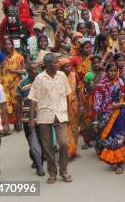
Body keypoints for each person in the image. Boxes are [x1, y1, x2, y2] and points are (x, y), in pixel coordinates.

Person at [28, 52, 73, 184]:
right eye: (54, 62)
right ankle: (52, 173)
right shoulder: (39, 79)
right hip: (44, 115)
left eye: (57, 62)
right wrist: (32, 118)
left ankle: (64, 170)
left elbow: (66, 95)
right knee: (48, 147)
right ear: (47, 65)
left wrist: (69, 114)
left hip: (60, 114)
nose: (57, 64)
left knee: (64, 144)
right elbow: (33, 99)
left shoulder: (62, 76)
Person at [15, 61, 45, 177]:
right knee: (32, 142)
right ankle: (35, 158)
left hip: (42, 117)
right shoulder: (22, 84)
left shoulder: (42, 82)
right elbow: (18, 103)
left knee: (41, 142)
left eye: (37, 69)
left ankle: (39, 166)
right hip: (27, 119)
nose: (36, 72)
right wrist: (18, 121)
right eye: (33, 70)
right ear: (27, 71)